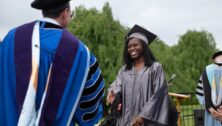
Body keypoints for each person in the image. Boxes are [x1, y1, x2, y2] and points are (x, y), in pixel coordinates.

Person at [0, 0, 104, 125]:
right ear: (65, 13)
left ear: (44, 13)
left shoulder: (10, 40)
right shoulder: (80, 52)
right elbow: (89, 110)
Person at [106, 24, 170, 126]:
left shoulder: (155, 68)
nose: (132, 49)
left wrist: (143, 116)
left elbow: (158, 95)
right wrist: (113, 94)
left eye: (135, 45)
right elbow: (116, 86)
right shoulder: (125, 70)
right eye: (129, 46)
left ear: (144, 46)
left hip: (146, 121)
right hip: (124, 120)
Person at [196, 50, 222, 125]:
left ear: (214, 59)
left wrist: (208, 106)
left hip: (210, 114)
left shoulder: (205, 71)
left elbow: (199, 94)